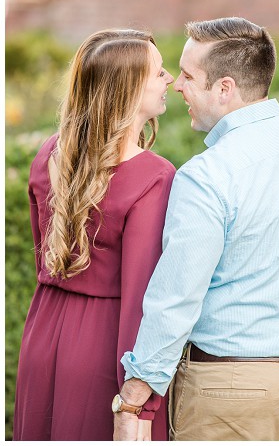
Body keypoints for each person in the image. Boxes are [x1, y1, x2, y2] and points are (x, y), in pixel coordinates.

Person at [113, 16, 279, 441]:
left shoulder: (208, 173)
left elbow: (178, 294)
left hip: (229, 387)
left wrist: (137, 389)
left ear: (224, 88)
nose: (177, 85)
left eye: (187, 75)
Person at [14, 29, 175, 440]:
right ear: (129, 88)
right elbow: (142, 297)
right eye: (158, 73)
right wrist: (139, 402)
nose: (170, 79)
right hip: (106, 345)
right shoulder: (154, 176)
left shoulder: (49, 154)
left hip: (43, 329)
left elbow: (44, 261)